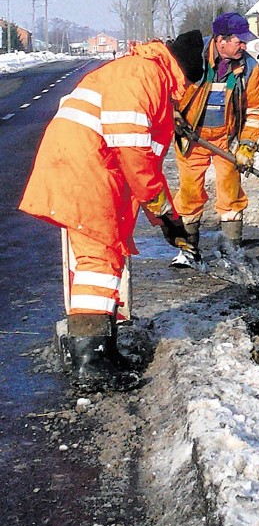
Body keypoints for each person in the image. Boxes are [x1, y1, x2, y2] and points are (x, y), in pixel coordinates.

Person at [18, 30, 205, 388]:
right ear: (183, 71)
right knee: (98, 261)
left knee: (106, 258)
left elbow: (144, 159)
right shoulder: (143, 77)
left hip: (89, 165)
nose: (181, 95)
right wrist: (164, 214)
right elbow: (135, 157)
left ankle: (103, 350)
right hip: (85, 168)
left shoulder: (146, 73)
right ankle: (90, 361)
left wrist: (168, 219)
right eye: (184, 87)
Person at [171, 12, 259, 266]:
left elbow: (256, 110)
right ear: (221, 40)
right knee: (190, 192)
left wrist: (247, 146)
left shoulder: (249, 68)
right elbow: (168, 92)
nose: (245, 46)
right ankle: (189, 249)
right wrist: (174, 116)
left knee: (230, 189)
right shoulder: (192, 58)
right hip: (191, 138)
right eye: (240, 41)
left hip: (227, 139)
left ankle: (231, 250)